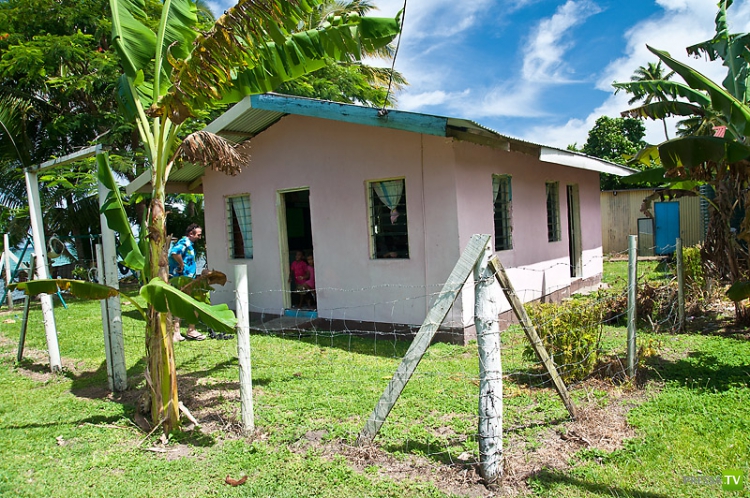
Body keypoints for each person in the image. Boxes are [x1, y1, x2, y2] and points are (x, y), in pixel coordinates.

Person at [169, 223, 205, 341]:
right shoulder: (185, 242)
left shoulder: (189, 244)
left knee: (185, 303)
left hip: (188, 278)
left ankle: (183, 331)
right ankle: (187, 330)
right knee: (189, 303)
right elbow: (175, 252)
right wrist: (181, 264)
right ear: (191, 234)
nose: (199, 237)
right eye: (198, 235)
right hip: (183, 279)